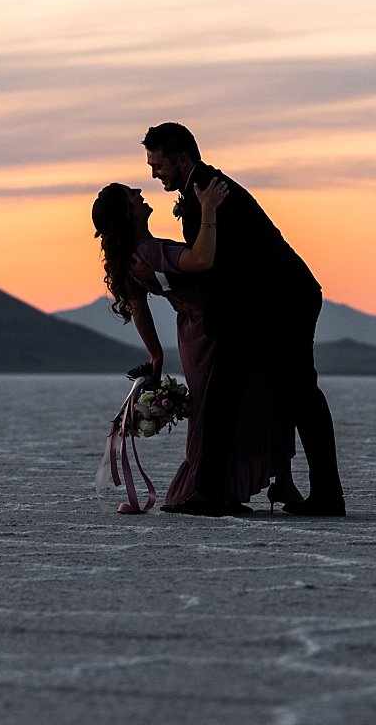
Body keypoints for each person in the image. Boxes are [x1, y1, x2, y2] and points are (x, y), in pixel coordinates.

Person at [142, 122, 345, 516]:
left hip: (276, 305)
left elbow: (208, 262)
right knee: (282, 396)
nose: (154, 174)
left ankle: (215, 496)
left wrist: (161, 285)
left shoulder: (208, 190)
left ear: (183, 158)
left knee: (280, 395)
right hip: (267, 304)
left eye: (159, 164)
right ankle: (317, 495)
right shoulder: (201, 189)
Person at [91, 179, 297, 517]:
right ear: (127, 213)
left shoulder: (134, 257)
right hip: (215, 330)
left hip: (192, 334)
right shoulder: (150, 252)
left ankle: (260, 483)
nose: (140, 193)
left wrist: (156, 353)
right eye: (133, 196)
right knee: (258, 399)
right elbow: (202, 259)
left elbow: (139, 307)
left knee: (227, 407)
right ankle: (242, 485)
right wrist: (209, 209)